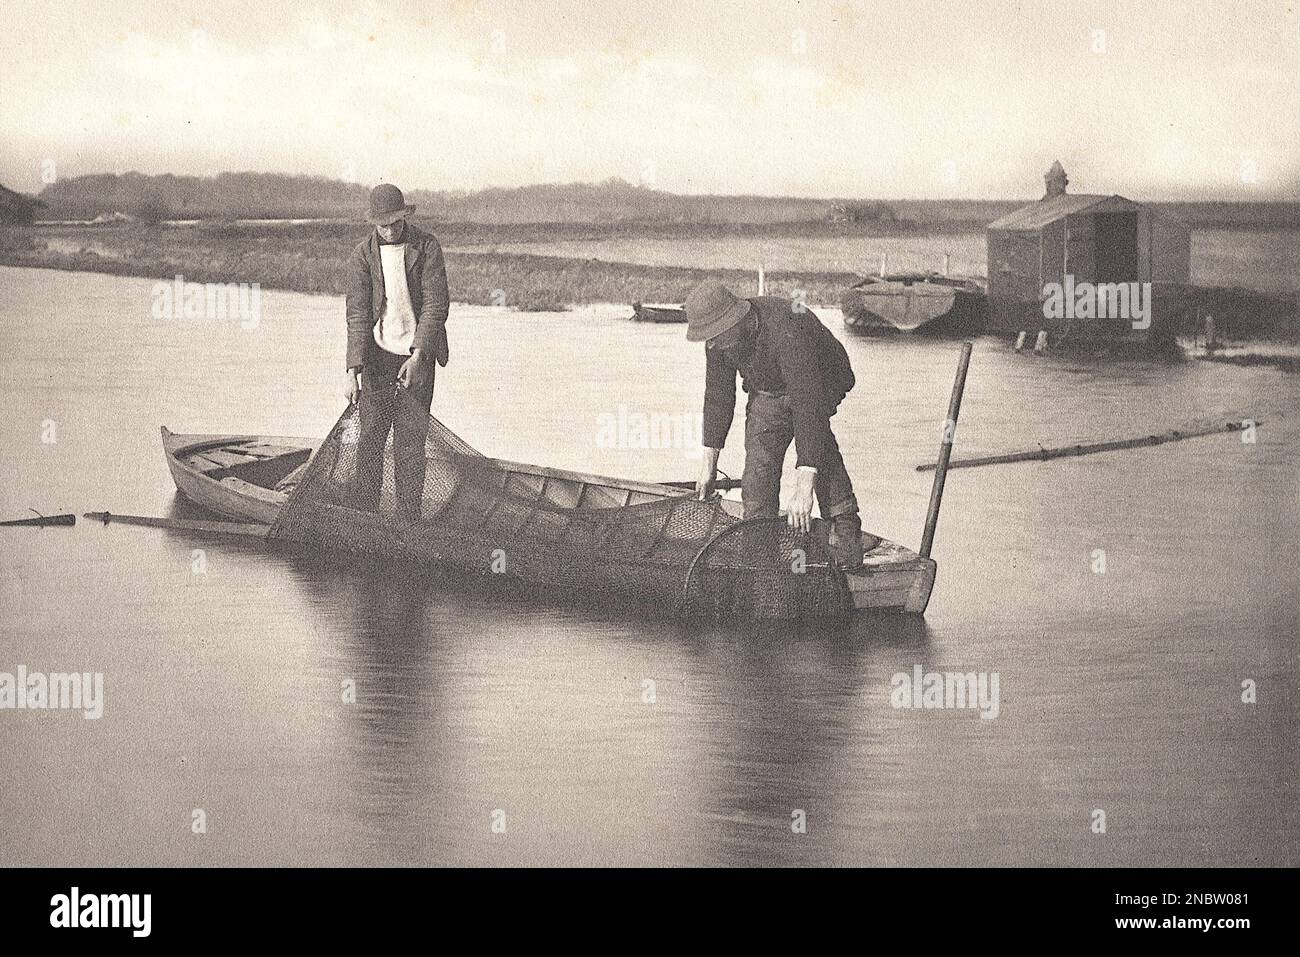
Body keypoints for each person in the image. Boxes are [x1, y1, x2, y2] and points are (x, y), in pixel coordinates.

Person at [685, 280, 864, 569]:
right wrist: (708, 464)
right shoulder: (717, 339)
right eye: (708, 339)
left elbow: (808, 407)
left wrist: (803, 487)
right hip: (768, 387)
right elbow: (718, 397)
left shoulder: (786, 329)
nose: (711, 344)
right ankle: (760, 553)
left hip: (824, 377)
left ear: (736, 321)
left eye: (715, 337)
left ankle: (845, 534)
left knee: (816, 446)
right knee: (758, 469)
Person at [343, 183, 450, 522]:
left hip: (417, 357)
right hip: (377, 358)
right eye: (382, 225)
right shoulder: (362, 254)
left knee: (410, 445)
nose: (389, 230)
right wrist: (352, 370)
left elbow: (436, 305)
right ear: (373, 223)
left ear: (405, 216)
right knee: (370, 441)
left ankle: (408, 520)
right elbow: (357, 313)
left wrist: (418, 357)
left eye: (395, 222)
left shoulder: (427, 246)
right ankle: (365, 518)